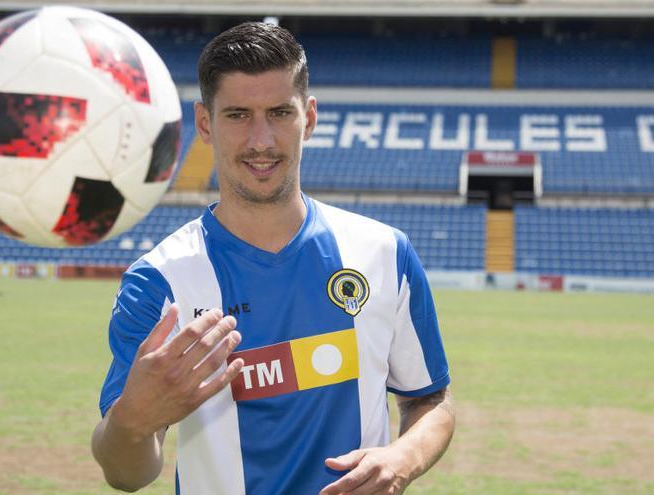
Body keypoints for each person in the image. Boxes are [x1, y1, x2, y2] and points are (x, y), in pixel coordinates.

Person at [91, 21, 455, 495]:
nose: (261, 140)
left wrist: (404, 457)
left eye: (280, 113)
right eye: (238, 114)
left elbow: (432, 398)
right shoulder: (160, 281)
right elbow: (126, 474)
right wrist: (131, 424)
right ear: (205, 123)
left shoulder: (384, 252)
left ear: (310, 117)